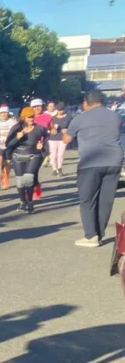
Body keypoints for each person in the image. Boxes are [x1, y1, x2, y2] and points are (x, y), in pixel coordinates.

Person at [64, 90, 125, 247]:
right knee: (105, 200)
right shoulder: (116, 116)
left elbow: (67, 139)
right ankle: (100, 233)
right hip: (114, 161)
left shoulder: (80, 118)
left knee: (88, 199)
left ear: (86, 103)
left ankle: (91, 236)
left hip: (91, 162)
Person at [4, 107, 48, 214]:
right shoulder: (17, 128)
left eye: (32, 117)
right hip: (18, 156)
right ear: (23, 117)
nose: (31, 119)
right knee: (20, 181)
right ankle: (22, 202)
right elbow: (8, 144)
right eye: (28, 117)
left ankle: (30, 203)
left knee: (28, 179)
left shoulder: (39, 128)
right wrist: (17, 138)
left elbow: (47, 137)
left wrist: (42, 144)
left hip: (33, 155)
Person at [0, 105, 18, 190]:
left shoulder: (13, 122)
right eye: (2, 113)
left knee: (8, 164)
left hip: (9, 146)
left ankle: (6, 181)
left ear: (8, 113)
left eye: (5, 113)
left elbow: (17, 132)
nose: (4, 114)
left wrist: (10, 134)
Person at [47, 103, 70, 177]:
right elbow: (48, 127)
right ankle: (54, 169)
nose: (60, 111)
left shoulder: (68, 118)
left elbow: (72, 127)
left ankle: (59, 168)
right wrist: (52, 129)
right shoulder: (52, 118)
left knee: (60, 154)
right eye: (59, 110)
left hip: (63, 138)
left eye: (62, 110)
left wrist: (67, 130)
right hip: (52, 138)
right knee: (53, 155)